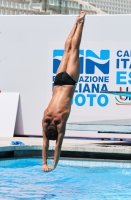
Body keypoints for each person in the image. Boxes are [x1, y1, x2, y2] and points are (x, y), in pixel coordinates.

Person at [42, 11, 86, 172]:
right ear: (47, 130)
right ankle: (75, 23)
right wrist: (43, 163)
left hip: (69, 83)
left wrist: (53, 165)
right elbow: (45, 143)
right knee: (66, 49)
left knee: (74, 49)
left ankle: (81, 22)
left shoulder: (61, 120)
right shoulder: (45, 118)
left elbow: (57, 145)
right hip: (58, 81)